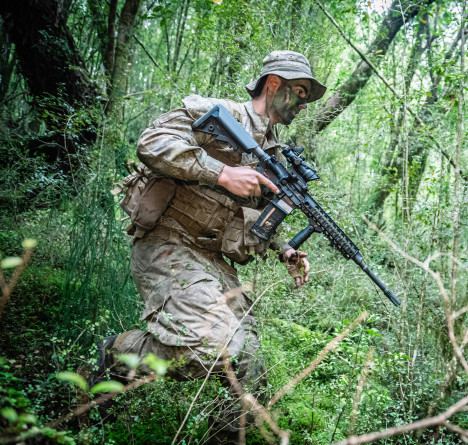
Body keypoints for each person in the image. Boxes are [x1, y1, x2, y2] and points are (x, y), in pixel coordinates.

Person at [92, 50, 327, 443]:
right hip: (167, 241)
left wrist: (284, 248)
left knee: (250, 363)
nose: (303, 103)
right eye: (300, 92)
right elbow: (153, 141)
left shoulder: (275, 154)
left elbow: (256, 216)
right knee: (220, 348)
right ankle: (119, 353)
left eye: (306, 96)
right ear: (273, 84)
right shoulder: (221, 113)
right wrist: (222, 173)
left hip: (212, 260)